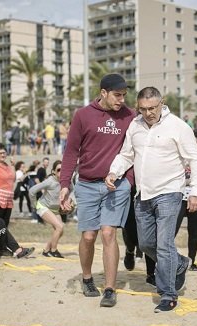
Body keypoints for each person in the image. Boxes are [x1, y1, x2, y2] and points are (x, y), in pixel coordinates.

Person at [107, 86, 197, 313]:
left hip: (170, 192)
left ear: (162, 103)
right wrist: (114, 172)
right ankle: (179, 263)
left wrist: (195, 191)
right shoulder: (135, 125)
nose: (149, 113)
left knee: (164, 244)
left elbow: (195, 159)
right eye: (143, 109)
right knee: (147, 243)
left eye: (152, 108)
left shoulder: (178, 126)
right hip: (143, 194)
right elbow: (126, 155)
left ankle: (168, 294)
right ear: (137, 108)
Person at [59, 73, 135, 308]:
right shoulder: (83, 115)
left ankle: (110, 288)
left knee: (109, 233)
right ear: (103, 93)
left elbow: (134, 150)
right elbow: (71, 152)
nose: (121, 100)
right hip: (87, 184)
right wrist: (64, 185)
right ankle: (87, 277)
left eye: (124, 95)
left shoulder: (130, 116)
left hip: (117, 185)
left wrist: (129, 180)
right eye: (117, 95)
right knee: (89, 236)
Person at [175, 130, 197, 272]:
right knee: (172, 229)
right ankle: (173, 258)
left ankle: (192, 260)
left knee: (194, 231)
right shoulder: (180, 155)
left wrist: (191, 178)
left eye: (196, 140)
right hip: (180, 196)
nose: (193, 143)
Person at [29, 160, 66, 258]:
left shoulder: (66, 181)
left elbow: (73, 191)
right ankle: (53, 251)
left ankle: (46, 250)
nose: (61, 172)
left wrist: (71, 202)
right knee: (59, 227)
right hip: (43, 207)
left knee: (60, 231)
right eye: (58, 170)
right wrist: (34, 205)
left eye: (63, 169)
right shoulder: (50, 181)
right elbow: (32, 191)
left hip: (55, 209)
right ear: (53, 171)